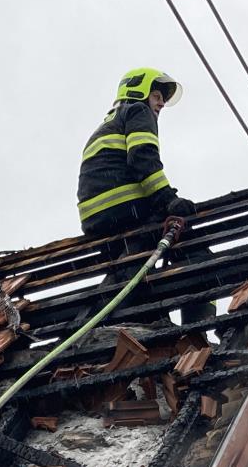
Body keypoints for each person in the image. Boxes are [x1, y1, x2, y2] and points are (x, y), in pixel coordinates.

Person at [76, 68, 211, 325]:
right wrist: (168, 200)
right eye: (157, 95)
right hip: (125, 208)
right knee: (194, 246)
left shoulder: (107, 123)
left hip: (99, 219)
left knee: (135, 272)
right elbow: (142, 158)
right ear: (138, 92)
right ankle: (199, 327)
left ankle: (147, 317)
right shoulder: (138, 112)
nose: (161, 103)